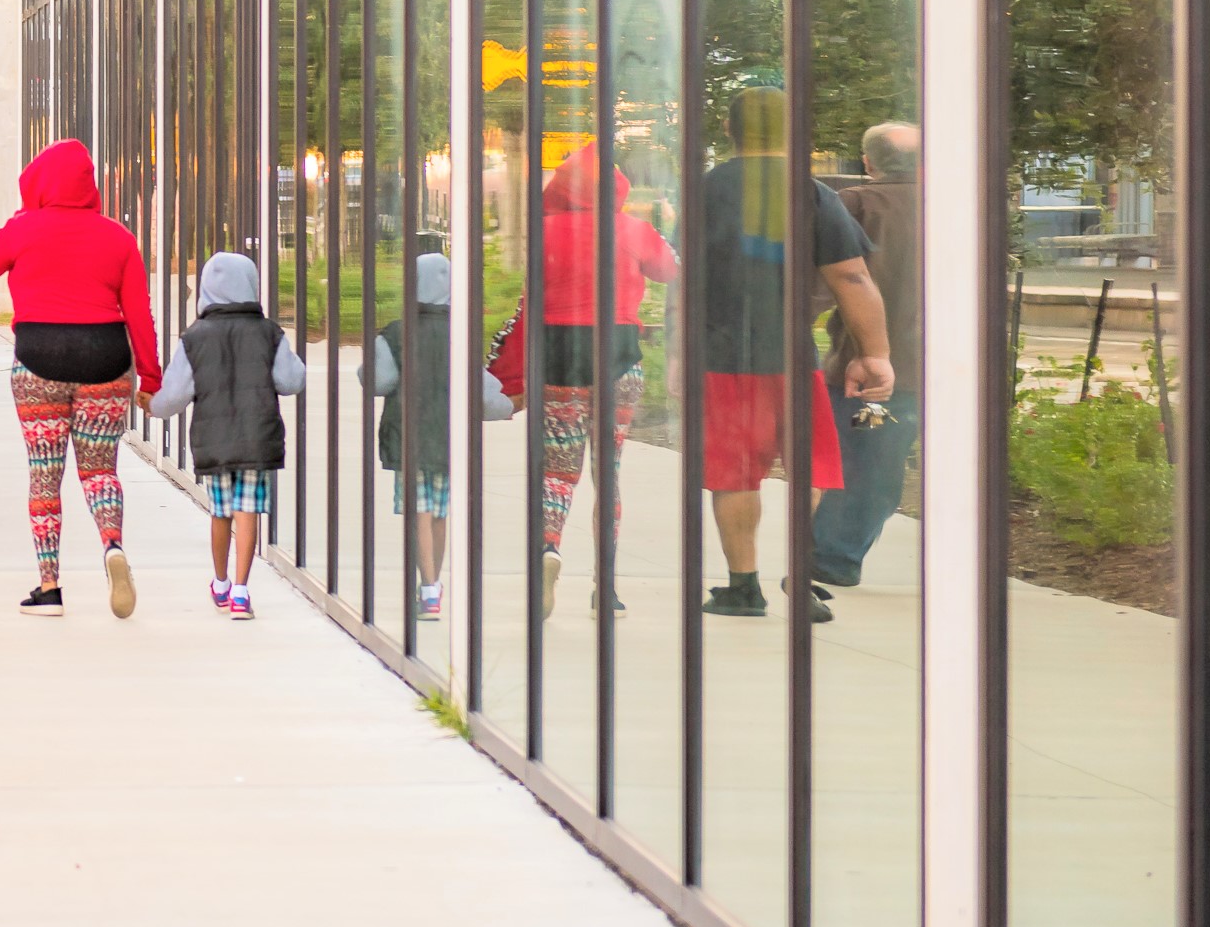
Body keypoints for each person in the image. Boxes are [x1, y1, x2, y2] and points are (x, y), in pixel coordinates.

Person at [697, 86, 894, 621]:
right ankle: (798, 579)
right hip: (792, 355)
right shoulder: (811, 194)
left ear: (728, 129)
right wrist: (875, 354)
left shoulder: (703, 191)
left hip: (720, 357)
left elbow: (680, 281)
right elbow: (851, 277)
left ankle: (742, 586)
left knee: (734, 473)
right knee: (808, 466)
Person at [0, 139, 157, 615]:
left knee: (44, 476)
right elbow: (139, 314)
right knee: (100, 471)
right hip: (105, 360)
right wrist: (150, 379)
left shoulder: (24, 227)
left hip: (39, 361)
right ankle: (112, 544)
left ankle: (49, 586)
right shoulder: (118, 236)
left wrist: (20, 218)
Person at [486, 155, 680, 617]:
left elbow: (531, 295)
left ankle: (549, 548)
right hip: (619, 356)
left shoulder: (546, 231)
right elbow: (672, 270)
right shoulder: (631, 229)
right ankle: (605, 588)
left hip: (559, 358)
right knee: (606, 474)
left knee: (558, 472)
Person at [153, 252, 302, 619]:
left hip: (215, 441)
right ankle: (241, 592)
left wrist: (150, 405)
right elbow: (291, 380)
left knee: (221, 513)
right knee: (247, 509)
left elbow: (173, 396)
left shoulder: (195, 337)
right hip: (257, 436)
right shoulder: (270, 333)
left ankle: (219, 583)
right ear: (252, 286)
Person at [815, 123, 923, 590]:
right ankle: (830, 553)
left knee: (865, 458)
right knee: (878, 461)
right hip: (937, 368)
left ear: (867, 161)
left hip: (870, 375)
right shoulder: (960, 203)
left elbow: (827, 283)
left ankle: (830, 557)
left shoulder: (853, 204)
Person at [368, 247, 491, 621]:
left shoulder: (396, 333)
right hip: (450, 438)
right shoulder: (462, 334)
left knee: (417, 512)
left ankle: (429, 588)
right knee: (439, 514)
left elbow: (379, 380)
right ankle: (433, 588)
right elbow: (482, 388)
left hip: (410, 436)